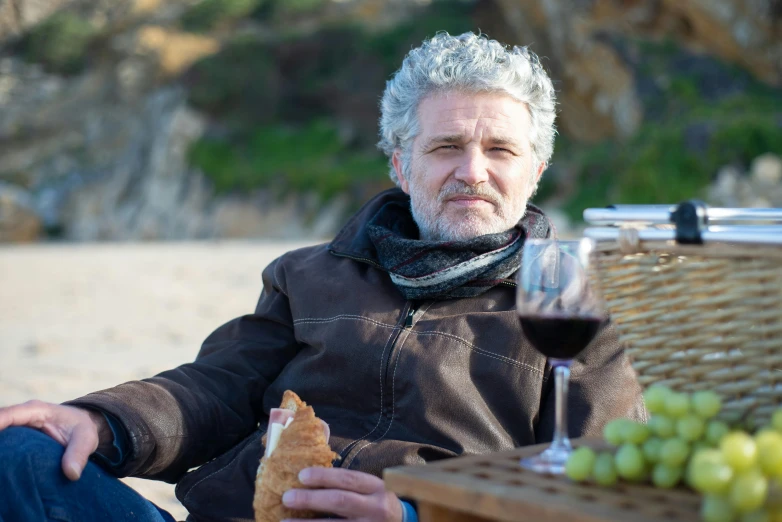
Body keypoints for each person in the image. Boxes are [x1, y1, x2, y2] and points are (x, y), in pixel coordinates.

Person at [0, 32, 645, 522]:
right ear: (400, 163)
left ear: (534, 172)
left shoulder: (580, 313)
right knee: (27, 454)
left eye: (500, 150)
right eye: (446, 147)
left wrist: (415, 512)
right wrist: (103, 422)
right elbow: (217, 388)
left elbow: (600, 488)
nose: (472, 172)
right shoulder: (307, 275)